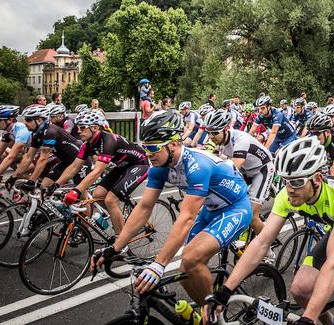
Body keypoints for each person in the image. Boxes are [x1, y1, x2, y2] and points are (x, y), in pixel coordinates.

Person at [206, 136, 334, 325]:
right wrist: (226, 290)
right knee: (300, 290)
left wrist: (307, 318)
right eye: (285, 181)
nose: (289, 189)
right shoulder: (287, 194)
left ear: (317, 179)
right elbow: (261, 243)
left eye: (297, 182)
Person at [92, 110, 251, 306]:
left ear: (173, 144)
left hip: (236, 208)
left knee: (191, 258)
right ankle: (206, 311)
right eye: (145, 148)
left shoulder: (197, 165)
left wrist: (159, 264)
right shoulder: (158, 167)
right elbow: (144, 207)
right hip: (211, 210)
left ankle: (214, 312)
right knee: (185, 269)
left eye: (153, 148)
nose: (148, 154)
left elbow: (186, 217)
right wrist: (115, 247)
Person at [57, 109, 149, 235]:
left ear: (94, 127)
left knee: (111, 200)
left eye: (82, 127)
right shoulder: (87, 144)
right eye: (78, 127)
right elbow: (74, 167)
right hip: (122, 166)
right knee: (97, 195)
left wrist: (76, 191)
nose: (78, 131)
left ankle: (121, 244)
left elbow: (97, 171)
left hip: (139, 164)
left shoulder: (108, 140)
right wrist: (55, 185)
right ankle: (119, 219)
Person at [204, 109, 274, 238]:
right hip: (247, 169)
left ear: (226, 128)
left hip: (262, 169)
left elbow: (232, 170)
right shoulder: (217, 140)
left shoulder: (240, 139)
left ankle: (267, 250)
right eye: (208, 132)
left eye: (214, 132)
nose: (210, 136)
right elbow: (211, 164)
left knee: (252, 216)